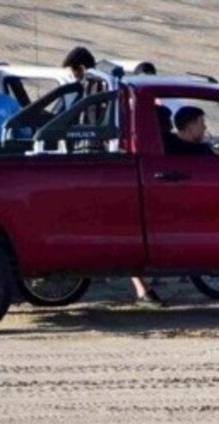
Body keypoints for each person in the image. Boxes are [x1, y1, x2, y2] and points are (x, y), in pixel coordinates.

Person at [62, 46, 164, 307]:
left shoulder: (97, 89)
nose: (73, 75)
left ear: (81, 68)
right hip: (97, 168)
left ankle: (139, 287)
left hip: (98, 168)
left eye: (74, 70)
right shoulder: (98, 88)